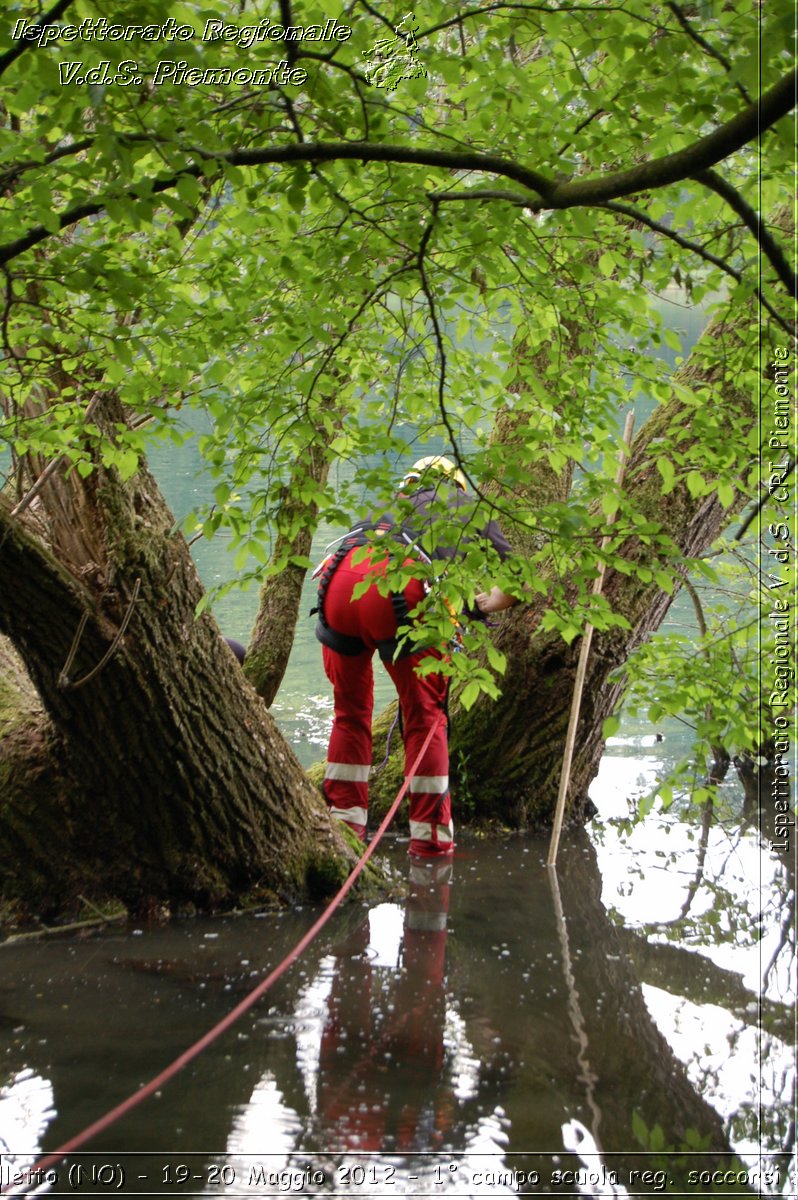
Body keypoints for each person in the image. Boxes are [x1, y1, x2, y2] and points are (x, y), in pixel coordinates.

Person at [313, 456, 518, 858]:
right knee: (426, 718)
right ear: (456, 483)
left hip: (338, 581)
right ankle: (430, 841)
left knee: (349, 713)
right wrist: (486, 603)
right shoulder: (464, 505)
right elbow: (519, 580)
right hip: (398, 588)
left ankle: (343, 829)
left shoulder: (387, 505)